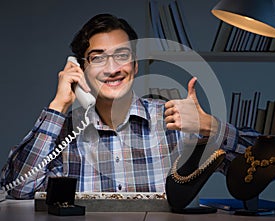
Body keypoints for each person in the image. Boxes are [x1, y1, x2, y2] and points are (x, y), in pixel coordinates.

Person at [0, 14, 258, 199]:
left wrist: (209, 126)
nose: (112, 69)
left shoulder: (174, 120)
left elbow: (264, 167)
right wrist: (58, 105)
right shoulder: (63, 133)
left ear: (135, 65)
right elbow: (16, 188)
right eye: (98, 58)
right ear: (81, 70)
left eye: (122, 56)